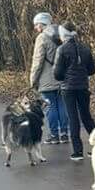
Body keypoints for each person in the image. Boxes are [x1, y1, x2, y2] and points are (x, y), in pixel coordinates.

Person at [53, 23, 95, 161]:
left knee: (73, 118)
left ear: (63, 34)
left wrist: (65, 76)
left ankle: (78, 151)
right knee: (86, 117)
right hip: (83, 87)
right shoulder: (85, 48)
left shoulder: (62, 50)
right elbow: (92, 70)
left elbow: (58, 74)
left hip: (68, 89)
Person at [29, 11, 66, 144]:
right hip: (62, 77)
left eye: (36, 25)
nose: (35, 28)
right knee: (62, 105)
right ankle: (64, 133)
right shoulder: (62, 34)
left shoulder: (42, 38)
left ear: (42, 24)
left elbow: (37, 61)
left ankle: (54, 135)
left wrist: (33, 80)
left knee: (50, 107)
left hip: (46, 79)